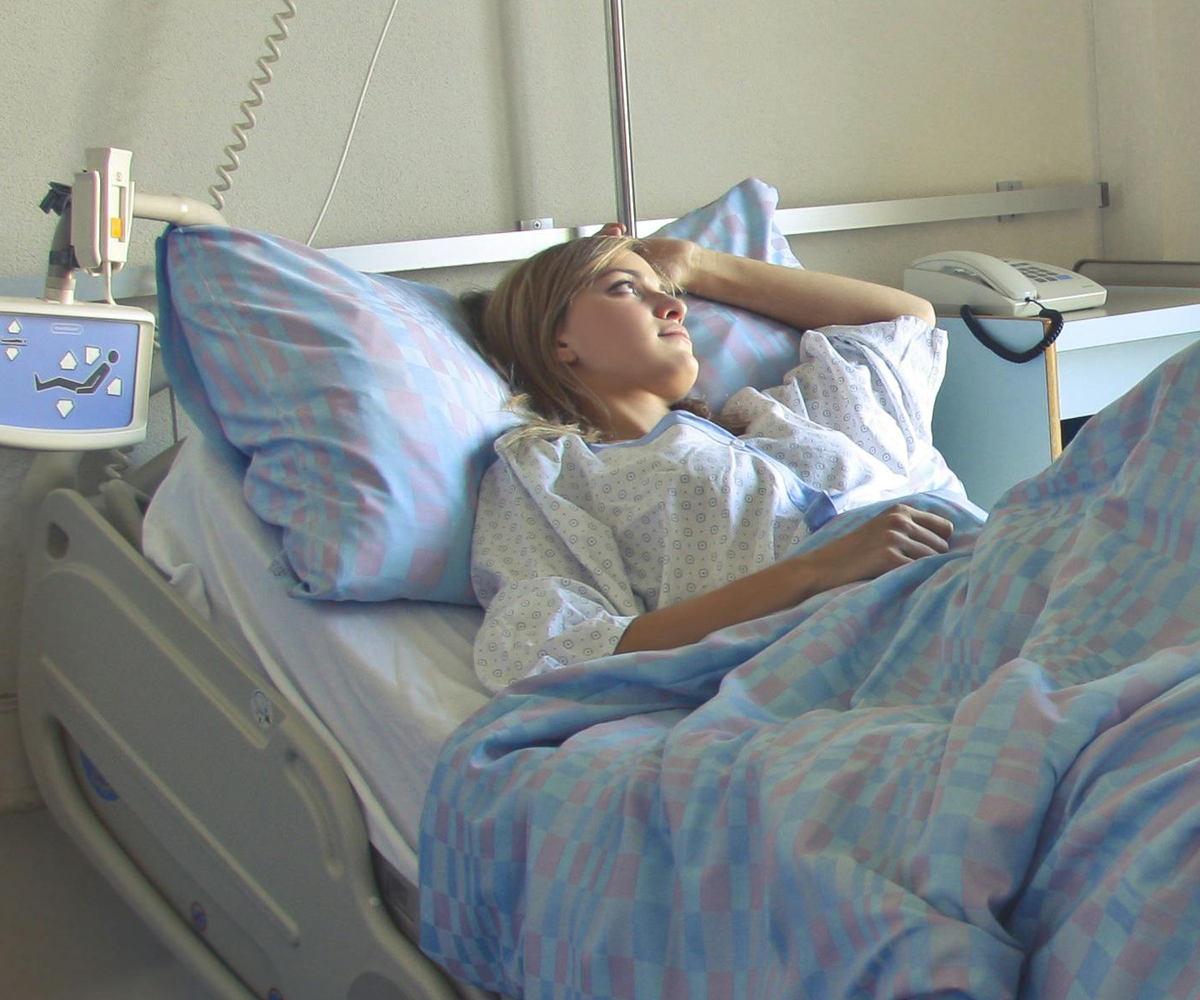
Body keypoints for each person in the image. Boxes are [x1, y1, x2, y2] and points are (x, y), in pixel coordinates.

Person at [464, 228, 971, 693]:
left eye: (668, 291)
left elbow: (902, 320)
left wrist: (695, 264)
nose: (673, 306)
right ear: (557, 339)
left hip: (970, 579)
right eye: (625, 288)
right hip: (873, 653)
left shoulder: (771, 420)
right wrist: (815, 569)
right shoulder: (549, 470)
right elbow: (548, 648)